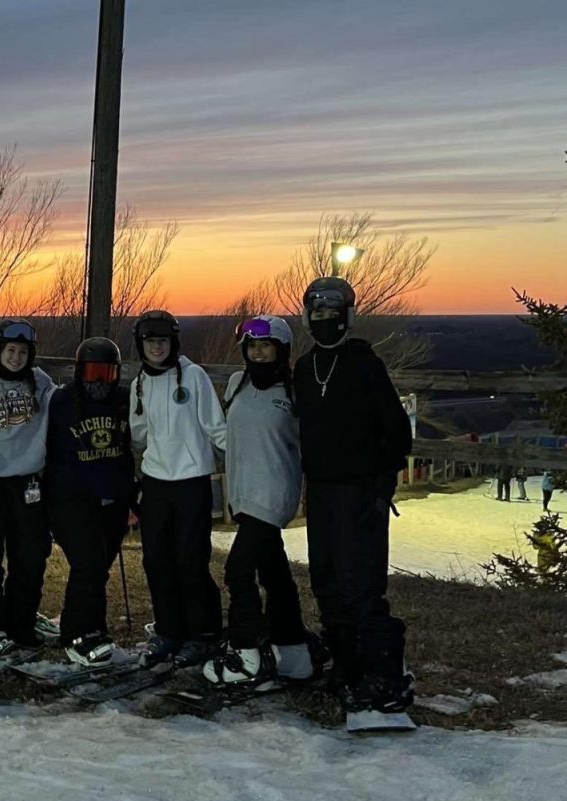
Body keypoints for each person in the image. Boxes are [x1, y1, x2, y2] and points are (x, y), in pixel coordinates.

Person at [294, 277, 414, 717]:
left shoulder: (365, 365)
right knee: (325, 580)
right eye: (318, 314)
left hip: (360, 490)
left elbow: (397, 430)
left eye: (333, 314)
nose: (325, 322)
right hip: (321, 490)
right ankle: (346, 664)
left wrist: (381, 484)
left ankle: (385, 672)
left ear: (346, 317)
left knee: (359, 582)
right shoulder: (305, 369)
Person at [203, 315, 313, 688]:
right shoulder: (237, 383)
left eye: (266, 346)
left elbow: (312, 442)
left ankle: (245, 652)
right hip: (243, 493)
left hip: (274, 491)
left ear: (281, 350)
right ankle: (294, 652)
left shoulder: (295, 390)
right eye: (252, 347)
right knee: (274, 572)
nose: (259, 353)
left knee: (237, 570)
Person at [129, 309, 227, 668]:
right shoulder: (141, 381)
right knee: (156, 560)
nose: (156, 347)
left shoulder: (195, 376)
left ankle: (203, 634)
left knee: (190, 560)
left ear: (173, 343)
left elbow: (216, 427)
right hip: (155, 482)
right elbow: (138, 433)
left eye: (162, 341)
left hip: (191, 481)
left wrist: (241, 459)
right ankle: (169, 631)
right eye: (149, 342)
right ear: (141, 345)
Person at [0, 319, 56, 660]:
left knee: (30, 557)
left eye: (22, 352)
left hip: (28, 480)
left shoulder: (42, 385)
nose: (15, 357)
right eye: (10, 351)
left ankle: (21, 622)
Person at [46, 337, 134, 667]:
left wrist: (130, 493)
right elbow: (49, 448)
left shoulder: (124, 401)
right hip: (73, 500)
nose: (99, 381)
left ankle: (96, 628)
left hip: (113, 499)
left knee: (99, 569)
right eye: (94, 372)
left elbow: (133, 446)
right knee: (88, 566)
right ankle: (76, 633)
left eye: (106, 373)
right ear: (81, 372)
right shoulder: (62, 401)